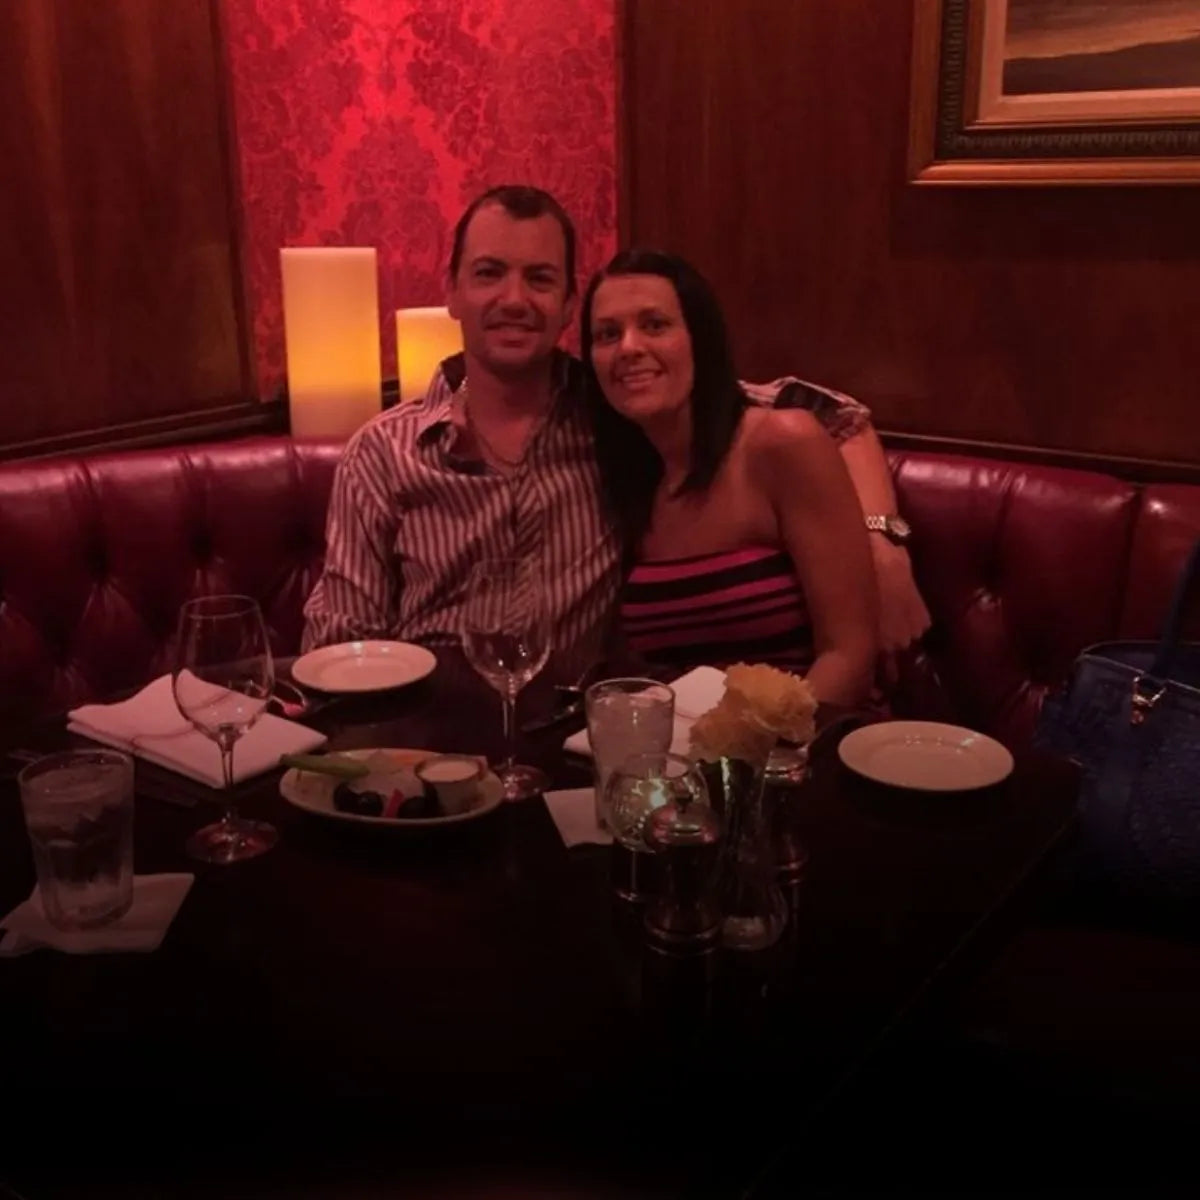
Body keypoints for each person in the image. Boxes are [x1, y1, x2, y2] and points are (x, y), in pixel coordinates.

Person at [302, 185, 927, 686]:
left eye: (540, 278)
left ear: (567, 304)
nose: (514, 299)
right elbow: (338, 645)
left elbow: (835, 416)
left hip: (570, 746)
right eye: (489, 273)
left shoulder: (619, 410)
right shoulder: (382, 452)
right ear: (452, 293)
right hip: (429, 739)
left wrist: (881, 545)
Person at [581, 249, 878, 706]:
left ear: (700, 339)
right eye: (607, 334)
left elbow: (849, 656)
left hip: (812, 733)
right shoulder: (629, 478)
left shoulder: (782, 442)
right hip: (682, 743)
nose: (629, 347)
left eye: (655, 325)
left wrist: (762, 747)